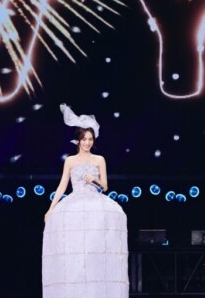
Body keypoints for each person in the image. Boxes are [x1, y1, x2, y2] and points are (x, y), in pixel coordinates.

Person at [41, 104, 128, 298]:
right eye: (84, 139)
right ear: (78, 141)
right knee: (76, 250)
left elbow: (105, 186)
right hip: (75, 203)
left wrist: (94, 180)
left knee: (95, 249)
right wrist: (50, 209)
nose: (87, 142)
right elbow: (62, 185)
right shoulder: (70, 160)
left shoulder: (99, 159)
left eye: (90, 139)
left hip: (95, 203)